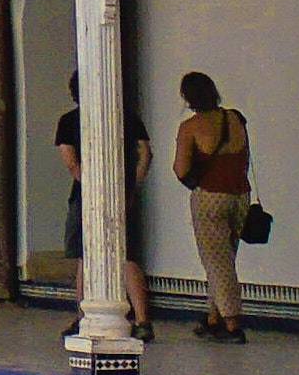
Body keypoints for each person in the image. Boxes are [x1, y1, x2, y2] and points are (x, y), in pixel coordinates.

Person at [51, 90, 153, 335]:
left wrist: (94, 188)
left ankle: (83, 316)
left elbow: (71, 163)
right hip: (122, 190)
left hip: (85, 196)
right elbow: (145, 153)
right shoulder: (127, 117)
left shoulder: (69, 121)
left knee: (84, 256)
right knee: (127, 256)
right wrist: (132, 186)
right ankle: (142, 320)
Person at [172, 69, 255, 341]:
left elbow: (181, 168)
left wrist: (198, 183)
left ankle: (232, 323)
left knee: (217, 262)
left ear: (187, 97)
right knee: (223, 257)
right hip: (240, 195)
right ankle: (213, 317)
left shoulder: (190, 127)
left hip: (210, 196)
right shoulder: (235, 118)